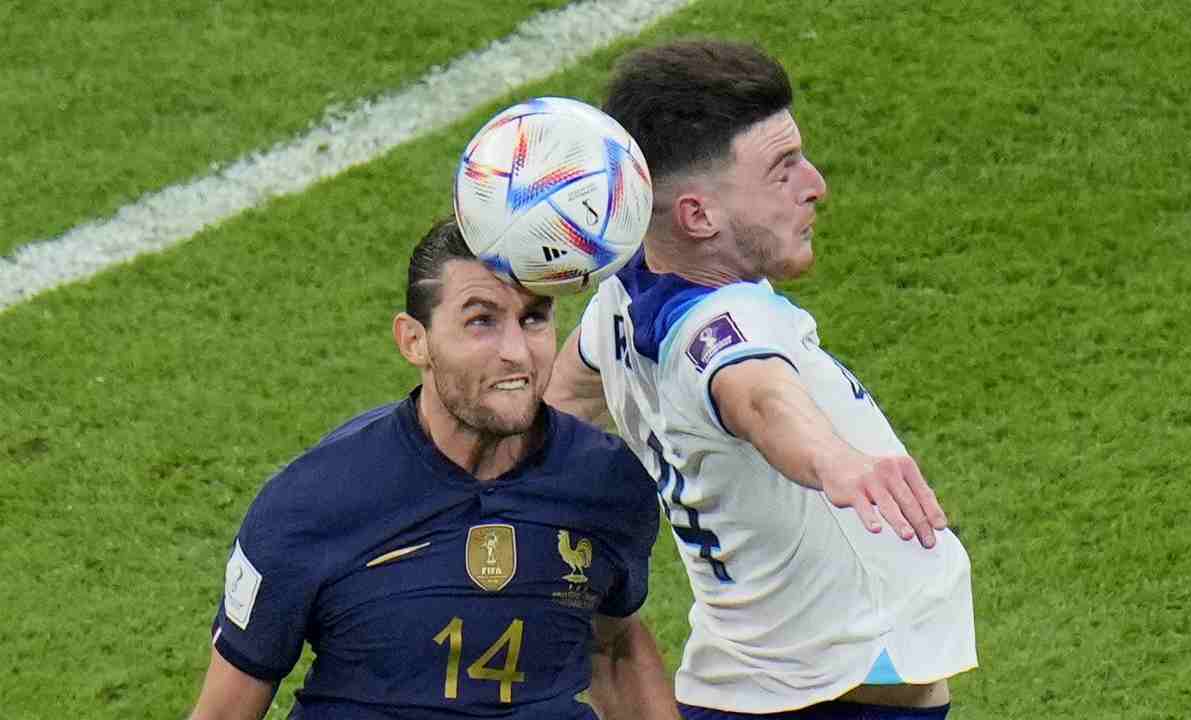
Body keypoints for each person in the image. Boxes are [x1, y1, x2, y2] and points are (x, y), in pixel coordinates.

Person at [545, 41, 977, 719]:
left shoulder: (622, 303)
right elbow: (759, 394)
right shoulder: (725, 322)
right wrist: (834, 460)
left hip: (747, 683)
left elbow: (562, 400)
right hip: (837, 694)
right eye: (782, 171)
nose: (816, 184)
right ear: (697, 215)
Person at [189, 217, 678, 720]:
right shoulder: (310, 503)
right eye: (481, 321)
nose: (516, 353)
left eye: (533, 318)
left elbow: (614, 646)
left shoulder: (606, 484)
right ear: (414, 341)